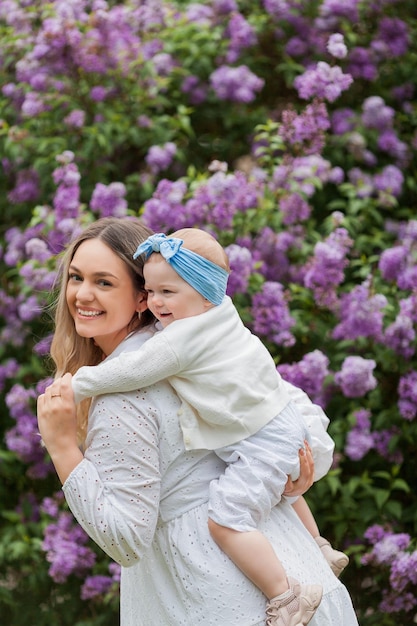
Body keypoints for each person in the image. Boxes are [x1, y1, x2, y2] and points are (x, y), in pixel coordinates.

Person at [37, 217, 359, 626]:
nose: (83, 294)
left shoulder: (126, 389)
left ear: (142, 298)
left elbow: (127, 541)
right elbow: (280, 406)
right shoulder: (205, 345)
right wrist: (296, 466)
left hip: (227, 602)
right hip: (311, 586)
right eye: (76, 277)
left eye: (104, 282)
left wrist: (63, 449)